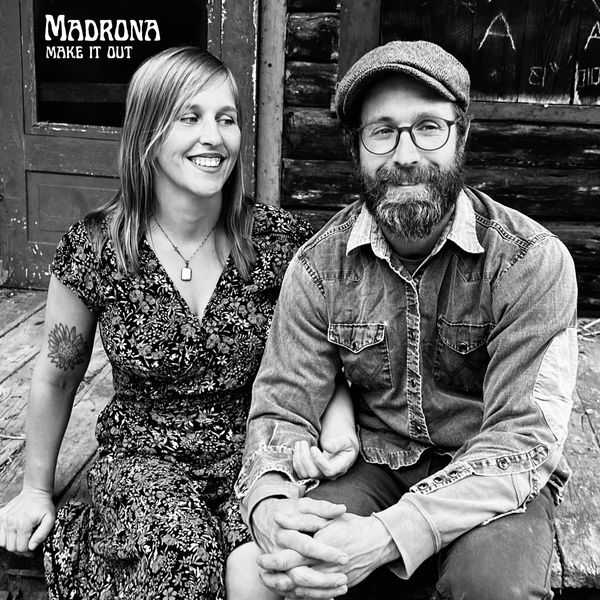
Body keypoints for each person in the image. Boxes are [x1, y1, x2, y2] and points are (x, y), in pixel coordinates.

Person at [0, 46, 354, 600]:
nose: (214, 137)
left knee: (272, 565)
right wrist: (36, 491)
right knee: (184, 557)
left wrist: (334, 429)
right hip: (143, 458)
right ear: (148, 131)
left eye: (226, 119)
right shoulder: (98, 248)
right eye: (189, 117)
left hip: (254, 455)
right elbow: (58, 375)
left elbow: (321, 358)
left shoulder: (279, 242)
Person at [236, 40, 579, 600]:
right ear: (356, 148)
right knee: (295, 566)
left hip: (491, 476)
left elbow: (523, 438)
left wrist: (386, 536)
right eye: (382, 132)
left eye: (427, 128)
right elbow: (281, 407)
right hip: (376, 465)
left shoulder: (528, 261)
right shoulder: (318, 269)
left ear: (461, 136)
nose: (405, 154)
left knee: (491, 587)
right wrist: (269, 502)